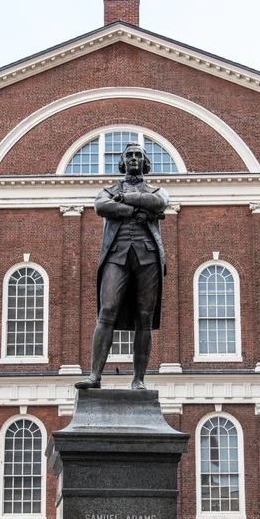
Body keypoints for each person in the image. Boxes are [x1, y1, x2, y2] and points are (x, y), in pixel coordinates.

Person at [75, 142, 169, 390]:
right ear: (122, 162)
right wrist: (136, 209)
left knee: (144, 318)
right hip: (116, 257)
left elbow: (160, 203)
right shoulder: (108, 190)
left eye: (139, 155)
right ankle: (95, 376)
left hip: (147, 258)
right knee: (106, 311)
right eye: (130, 155)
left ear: (145, 162)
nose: (134, 158)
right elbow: (101, 206)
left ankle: (138, 379)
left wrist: (127, 199)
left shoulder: (156, 189)